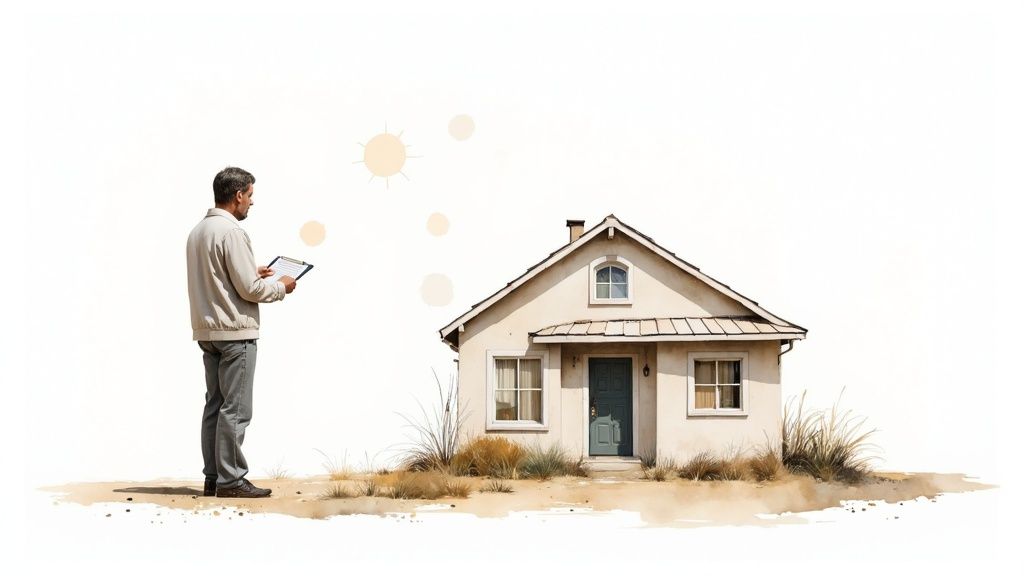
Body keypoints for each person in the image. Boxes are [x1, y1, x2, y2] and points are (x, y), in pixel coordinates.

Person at [186, 166, 297, 498]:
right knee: (236, 409)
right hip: (235, 332)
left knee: (214, 405)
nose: (251, 202)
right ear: (237, 195)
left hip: (207, 330)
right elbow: (249, 290)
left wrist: (253, 271)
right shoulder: (232, 232)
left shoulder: (198, 232)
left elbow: (222, 277)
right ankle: (232, 480)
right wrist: (281, 286)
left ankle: (214, 477)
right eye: (250, 195)